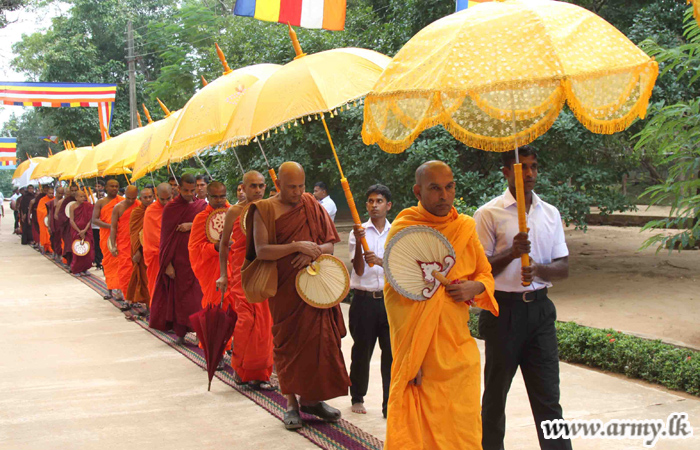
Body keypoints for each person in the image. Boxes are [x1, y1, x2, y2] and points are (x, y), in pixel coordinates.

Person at [383, 161, 498, 450]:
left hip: (458, 347)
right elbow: (396, 299)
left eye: (449, 187)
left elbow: (485, 274)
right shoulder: (404, 229)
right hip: (424, 354)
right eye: (434, 188)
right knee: (422, 431)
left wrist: (476, 287)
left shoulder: (465, 227)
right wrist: (411, 357)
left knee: (464, 424)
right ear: (417, 191)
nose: (444, 195)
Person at [475, 146, 572, 450]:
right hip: (503, 311)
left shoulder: (550, 213)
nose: (529, 174)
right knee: (495, 396)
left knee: (548, 398)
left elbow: (563, 267)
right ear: (506, 173)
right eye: (521, 168)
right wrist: (512, 253)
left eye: (533, 167)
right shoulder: (487, 214)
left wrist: (539, 269)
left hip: (540, 311)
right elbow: (480, 270)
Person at [243, 162, 349, 430]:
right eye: (292, 187)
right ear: (278, 184)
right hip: (285, 288)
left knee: (321, 342)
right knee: (288, 344)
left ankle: (313, 400)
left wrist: (312, 251)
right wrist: (295, 246)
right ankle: (291, 404)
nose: (298, 192)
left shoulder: (311, 204)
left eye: (302, 186)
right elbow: (262, 250)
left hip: (316, 288)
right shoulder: (264, 209)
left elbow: (329, 247)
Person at [216, 171, 273, 389]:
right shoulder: (234, 212)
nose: (257, 190)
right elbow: (223, 244)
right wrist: (223, 273)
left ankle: (261, 373)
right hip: (241, 273)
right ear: (243, 188)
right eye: (253, 186)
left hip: (264, 273)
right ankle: (240, 366)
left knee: (264, 323)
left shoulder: (270, 209)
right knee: (246, 321)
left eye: (261, 186)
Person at [348, 184, 393, 418]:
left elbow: (400, 269)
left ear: (388, 205)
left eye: (379, 201)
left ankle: (389, 403)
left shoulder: (396, 232)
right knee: (362, 351)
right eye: (370, 201)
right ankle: (357, 397)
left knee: (391, 354)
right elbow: (357, 268)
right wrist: (359, 245)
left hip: (388, 302)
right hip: (363, 300)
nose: (374, 205)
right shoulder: (358, 230)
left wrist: (381, 260)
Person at [149, 174, 207, 345]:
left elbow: (209, 228)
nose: (189, 193)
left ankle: (199, 333)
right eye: (186, 190)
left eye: (192, 190)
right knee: (180, 299)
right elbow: (165, 239)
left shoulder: (201, 206)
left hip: (197, 259)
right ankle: (180, 332)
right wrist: (167, 264)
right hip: (179, 261)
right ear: (179, 189)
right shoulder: (171, 208)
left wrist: (191, 225)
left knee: (198, 299)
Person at [109, 185, 141, 307]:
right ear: (124, 194)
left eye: (133, 198)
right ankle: (128, 297)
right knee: (125, 270)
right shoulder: (118, 207)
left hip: (137, 243)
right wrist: (113, 245)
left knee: (137, 271)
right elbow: (113, 227)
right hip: (123, 243)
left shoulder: (140, 206)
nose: (131, 201)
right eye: (128, 198)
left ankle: (137, 297)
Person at [93, 180, 124, 300]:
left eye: (116, 186)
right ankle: (110, 289)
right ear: (106, 187)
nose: (114, 188)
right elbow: (95, 220)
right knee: (108, 262)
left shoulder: (123, 201)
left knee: (121, 262)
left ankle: (121, 289)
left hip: (121, 235)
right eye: (111, 186)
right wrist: (110, 226)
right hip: (107, 235)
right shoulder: (101, 202)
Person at [126, 187, 154, 315]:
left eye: (150, 197)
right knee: (144, 279)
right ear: (140, 199)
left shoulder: (157, 211)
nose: (148, 200)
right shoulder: (136, 212)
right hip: (141, 251)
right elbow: (134, 233)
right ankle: (149, 307)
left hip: (154, 249)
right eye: (145, 197)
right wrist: (137, 250)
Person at [143, 183, 173, 298]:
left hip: (175, 256)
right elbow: (156, 238)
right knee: (157, 290)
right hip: (158, 256)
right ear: (156, 195)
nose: (165, 202)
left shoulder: (175, 207)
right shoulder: (151, 211)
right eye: (162, 199)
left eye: (168, 199)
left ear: (173, 194)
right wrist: (167, 262)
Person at [68, 190, 95, 276]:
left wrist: (84, 230)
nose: (83, 198)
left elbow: (90, 219)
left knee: (87, 249)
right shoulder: (72, 206)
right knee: (77, 249)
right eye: (81, 196)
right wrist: (79, 231)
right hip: (76, 231)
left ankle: (85, 268)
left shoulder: (87, 206)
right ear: (76, 198)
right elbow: (71, 220)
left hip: (86, 230)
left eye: (84, 196)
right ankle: (76, 269)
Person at [57, 184, 79, 266]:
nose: (73, 192)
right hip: (69, 227)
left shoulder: (81, 200)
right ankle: (71, 263)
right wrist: (68, 220)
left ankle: (80, 265)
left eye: (75, 190)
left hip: (80, 227)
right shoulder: (66, 201)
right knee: (70, 245)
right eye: (72, 190)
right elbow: (61, 214)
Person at [47, 187, 64, 261]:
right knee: (53, 239)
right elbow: (49, 214)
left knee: (61, 240)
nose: (60, 195)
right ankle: (55, 252)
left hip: (62, 223)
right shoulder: (51, 202)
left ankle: (60, 253)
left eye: (62, 193)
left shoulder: (64, 201)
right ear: (56, 192)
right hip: (54, 223)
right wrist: (49, 225)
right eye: (59, 193)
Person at [92, 179, 106, 269]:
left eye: (99, 186)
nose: (97, 188)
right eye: (96, 186)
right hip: (95, 227)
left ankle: (103, 260)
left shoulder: (107, 199)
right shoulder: (91, 197)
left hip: (106, 227)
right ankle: (98, 261)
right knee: (97, 244)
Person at [36, 186, 54, 254]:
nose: (51, 195)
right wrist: (47, 213)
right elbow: (39, 210)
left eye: (52, 193)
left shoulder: (55, 200)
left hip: (52, 221)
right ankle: (45, 247)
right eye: (50, 193)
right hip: (45, 220)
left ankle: (51, 248)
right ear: (47, 193)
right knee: (44, 234)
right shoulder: (42, 200)